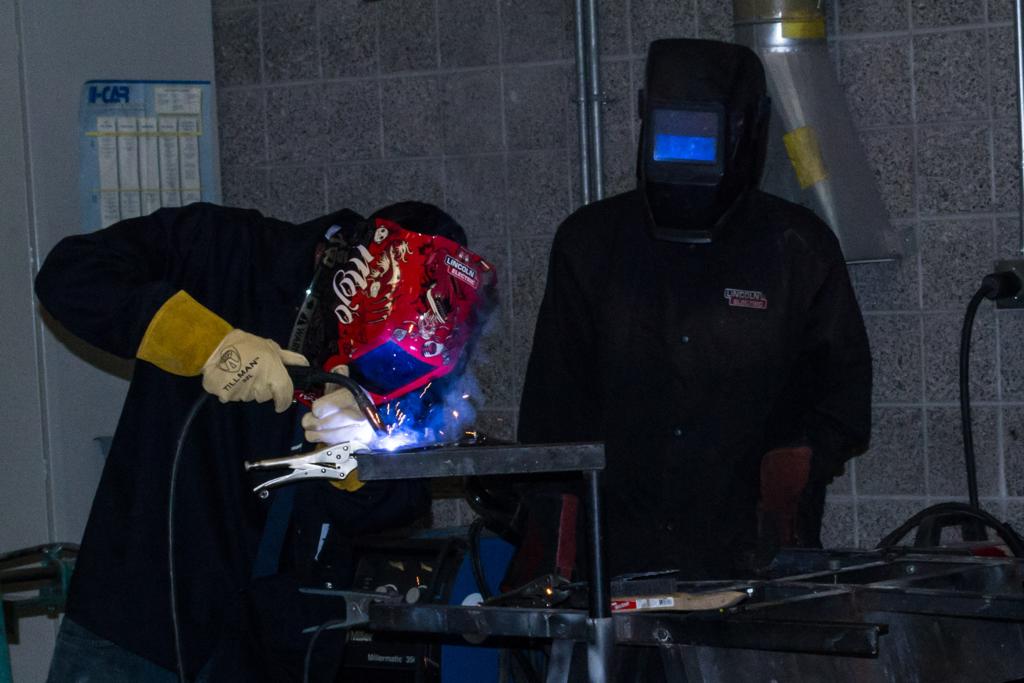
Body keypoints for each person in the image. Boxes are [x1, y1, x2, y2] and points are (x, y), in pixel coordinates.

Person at [35, 200, 495, 682]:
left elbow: (401, 503)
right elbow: (70, 274)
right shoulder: (220, 246)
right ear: (354, 270)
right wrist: (205, 343)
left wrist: (357, 461)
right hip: (133, 623)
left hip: (277, 648)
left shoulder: (418, 355)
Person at [517, 39, 872, 584]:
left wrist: (786, 480)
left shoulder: (796, 248)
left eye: (701, 133)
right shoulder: (589, 244)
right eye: (672, 130)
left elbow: (844, 399)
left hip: (752, 559)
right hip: (612, 562)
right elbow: (551, 413)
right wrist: (551, 556)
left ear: (746, 130)